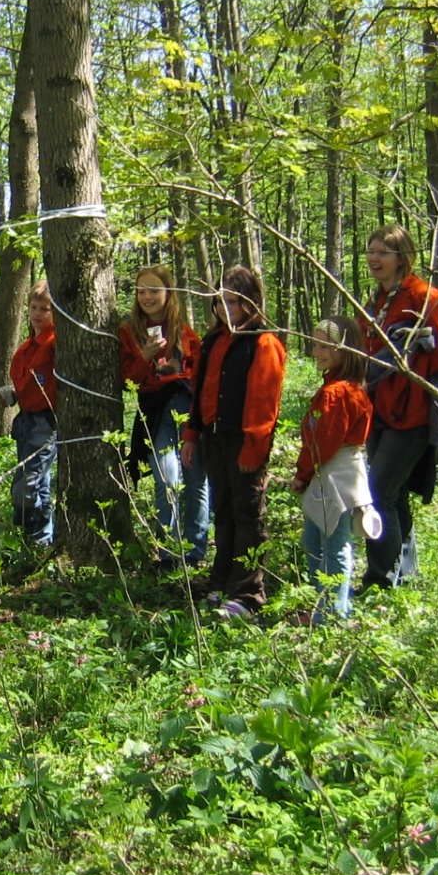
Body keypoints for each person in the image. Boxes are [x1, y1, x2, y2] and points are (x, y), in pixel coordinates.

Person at [358, 225, 438, 591]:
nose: (374, 258)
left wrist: (423, 345)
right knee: (394, 494)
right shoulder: (374, 302)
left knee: (378, 494)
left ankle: (379, 581)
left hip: (414, 415)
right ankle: (403, 575)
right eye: (370, 252)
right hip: (379, 411)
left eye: (382, 252)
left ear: (402, 257)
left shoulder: (428, 299)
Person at [181, 266, 287, 619]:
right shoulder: (213, 340)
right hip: (213, 438)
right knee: (222, 512)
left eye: (233, 302)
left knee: (248, 514)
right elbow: (200, 393)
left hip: (243, 443)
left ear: (250, 303)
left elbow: (264, 402)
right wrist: (192, 435)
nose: (224, 309)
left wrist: (253, 448)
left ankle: (248, 594)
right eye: (219, 302)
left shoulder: (263, 343)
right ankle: (221, 581)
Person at [119, 265, 210, 568]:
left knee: (196, 477)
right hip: (154, 411)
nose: (147, 296)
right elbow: (125, 378)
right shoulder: (128, 331)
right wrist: (145, 357)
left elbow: (199, 378)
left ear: (168, 293)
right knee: (166, 476)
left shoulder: (184, 333)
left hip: (186, 408)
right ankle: (168, 553)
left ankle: (195, 551)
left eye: (154, 290)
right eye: (141, 290)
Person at [290, 317, 377, 624]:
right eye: (315, 344)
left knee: (333, 543)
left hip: (334, 474)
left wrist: (303, 473)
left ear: (345, 349)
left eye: (324, 346)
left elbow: (323, 442)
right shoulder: (340, 388)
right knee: (316, 541)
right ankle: (323, 606)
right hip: (334, 472)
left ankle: (332, 613)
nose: (316, 352)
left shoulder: (338, 394)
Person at [1, 280, 57, 547]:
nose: (37, 313)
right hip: (26, 422)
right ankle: (40, 539)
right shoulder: (25, 349)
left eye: (45, 309)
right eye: (34, 307)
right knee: (40, 483)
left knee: (26, 487)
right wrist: (13, 393)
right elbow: (29, 384)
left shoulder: (57, 343)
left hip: (46, 423)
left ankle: (33, 536)